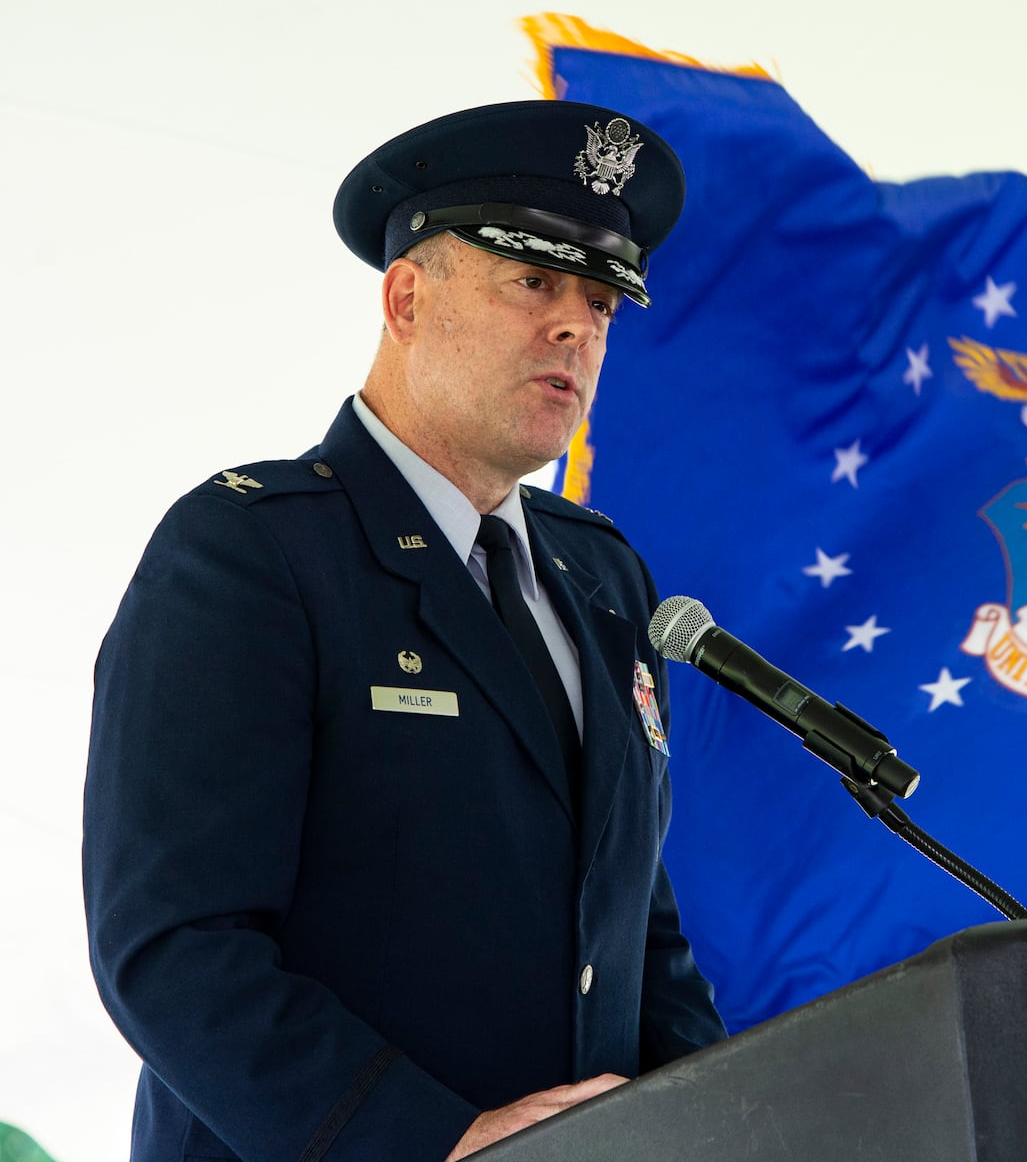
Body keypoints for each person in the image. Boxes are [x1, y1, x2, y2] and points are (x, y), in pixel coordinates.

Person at [83, 101, 727, 1162]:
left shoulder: (603, 572)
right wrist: (433, 1139)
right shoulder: (250, 553)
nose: (577, 325)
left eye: (602, 301)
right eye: (535, 281)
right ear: (407, 295)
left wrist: (725, 1125)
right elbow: (174, 946)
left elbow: (635, 934)